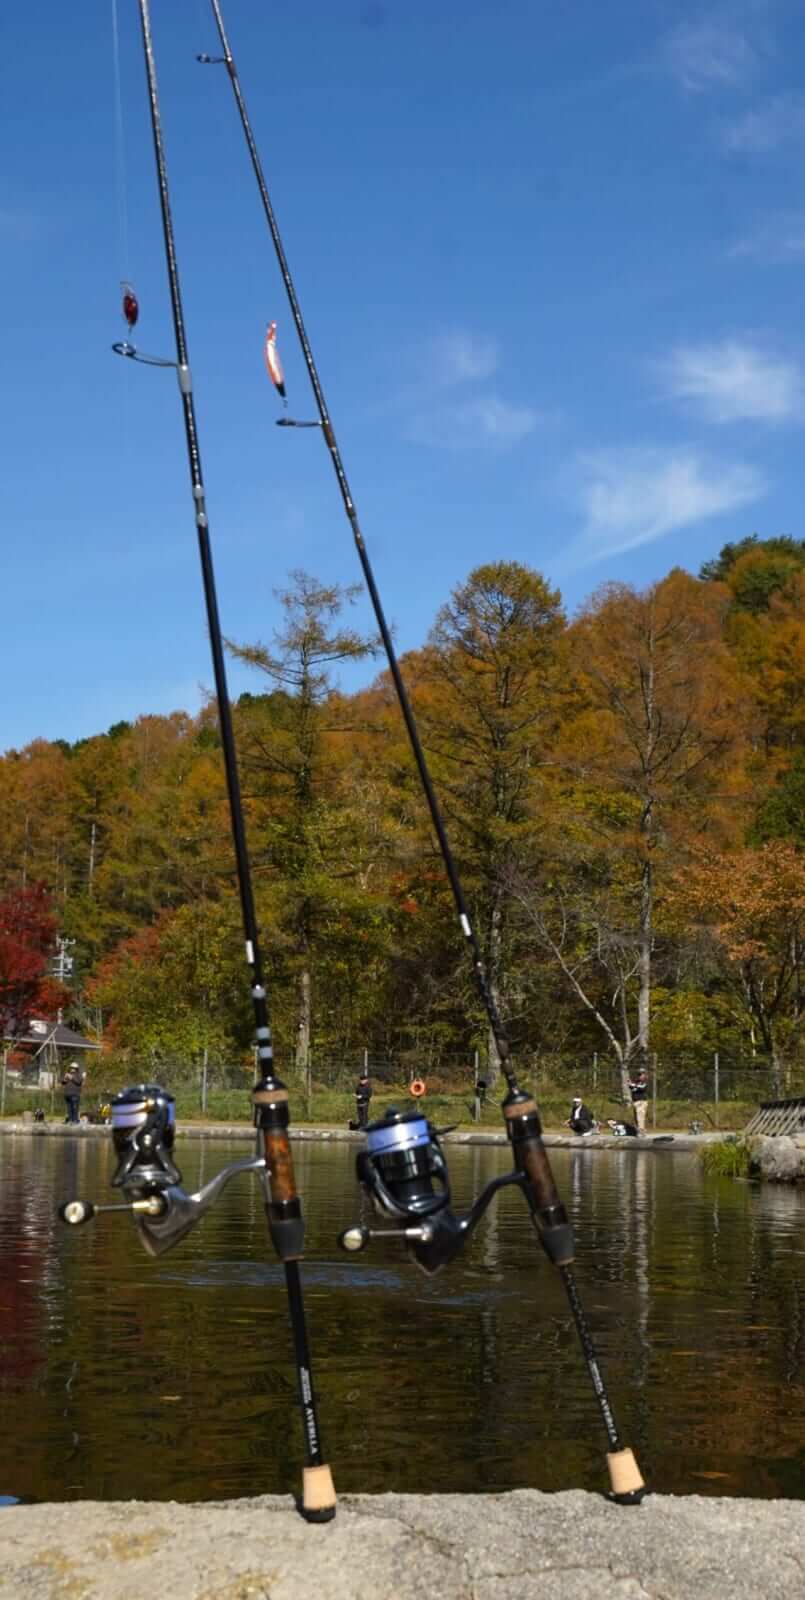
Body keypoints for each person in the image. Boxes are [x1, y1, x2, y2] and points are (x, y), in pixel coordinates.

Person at [61, 1060, 84, 1125]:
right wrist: (65, 1079)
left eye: (73, 1068)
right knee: (69, 1109)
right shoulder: (67, 1074)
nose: (72, 1069)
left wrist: (71, 1078)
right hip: (67, 1094)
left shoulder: (79, 1075)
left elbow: (79, 1082)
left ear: (76, 1069)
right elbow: (62, 1082)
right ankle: (70, 1120)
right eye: (71, 1067)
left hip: (75, 1095)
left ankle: (75, 1120)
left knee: (75, 1108)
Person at [628, 1068, 649, 1134]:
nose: (640, 1076)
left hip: (641, 1101)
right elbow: (631, 1087)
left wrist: (633, 1085)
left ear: (645, 1075)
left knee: (640, 1116)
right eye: (639, 1074)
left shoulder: (644, 1082)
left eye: (642, 1074)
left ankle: (641, 1130)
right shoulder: (636, 1082)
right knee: (636, 1117)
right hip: (636, 1101)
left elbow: (641, 1088)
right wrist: (630, 1083)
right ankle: (639, 1130)